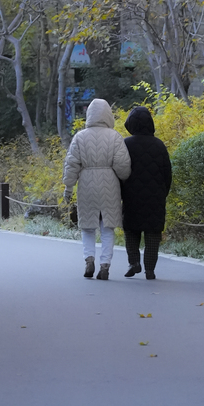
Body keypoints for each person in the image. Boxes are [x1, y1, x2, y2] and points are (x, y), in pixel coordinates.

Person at [63, 97, 132, 280]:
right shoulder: (115, 136)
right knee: (107, 227)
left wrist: (68, 188)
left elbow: (71, 164)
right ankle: (105, 265)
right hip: (109, 184)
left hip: (86, 185)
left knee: (88, 226)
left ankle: (89, 259)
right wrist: (120, 177)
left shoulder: (80, 137)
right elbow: (123, 167)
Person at [120, 106, 172, 281]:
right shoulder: (159, 145)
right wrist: (162, 193)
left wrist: (121, 193)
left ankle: (134, 263)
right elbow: (167, 174)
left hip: (131, 197)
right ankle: (150, 270)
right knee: (152, 234)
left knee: (131, 231)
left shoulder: (126, 144)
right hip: (155, 198)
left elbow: (120, 171)